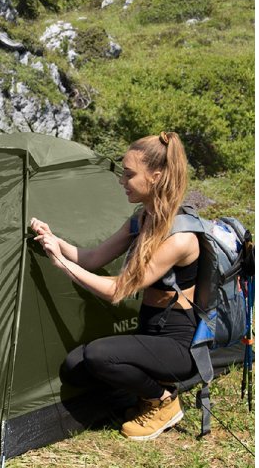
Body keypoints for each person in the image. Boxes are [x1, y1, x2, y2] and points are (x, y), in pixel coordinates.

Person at [28, 131, 199, 441]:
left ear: (156, 177)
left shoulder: (180, 238)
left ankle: (163, 402)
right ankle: (149, 389)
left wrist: (62, 264)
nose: (122, 181)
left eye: (129, 174)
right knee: (75, 367)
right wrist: (54, 240)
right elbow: (93, 258)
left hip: (177, 344)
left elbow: (118, 290)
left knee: (99, 356)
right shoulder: (142, 219)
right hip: (149, 333)